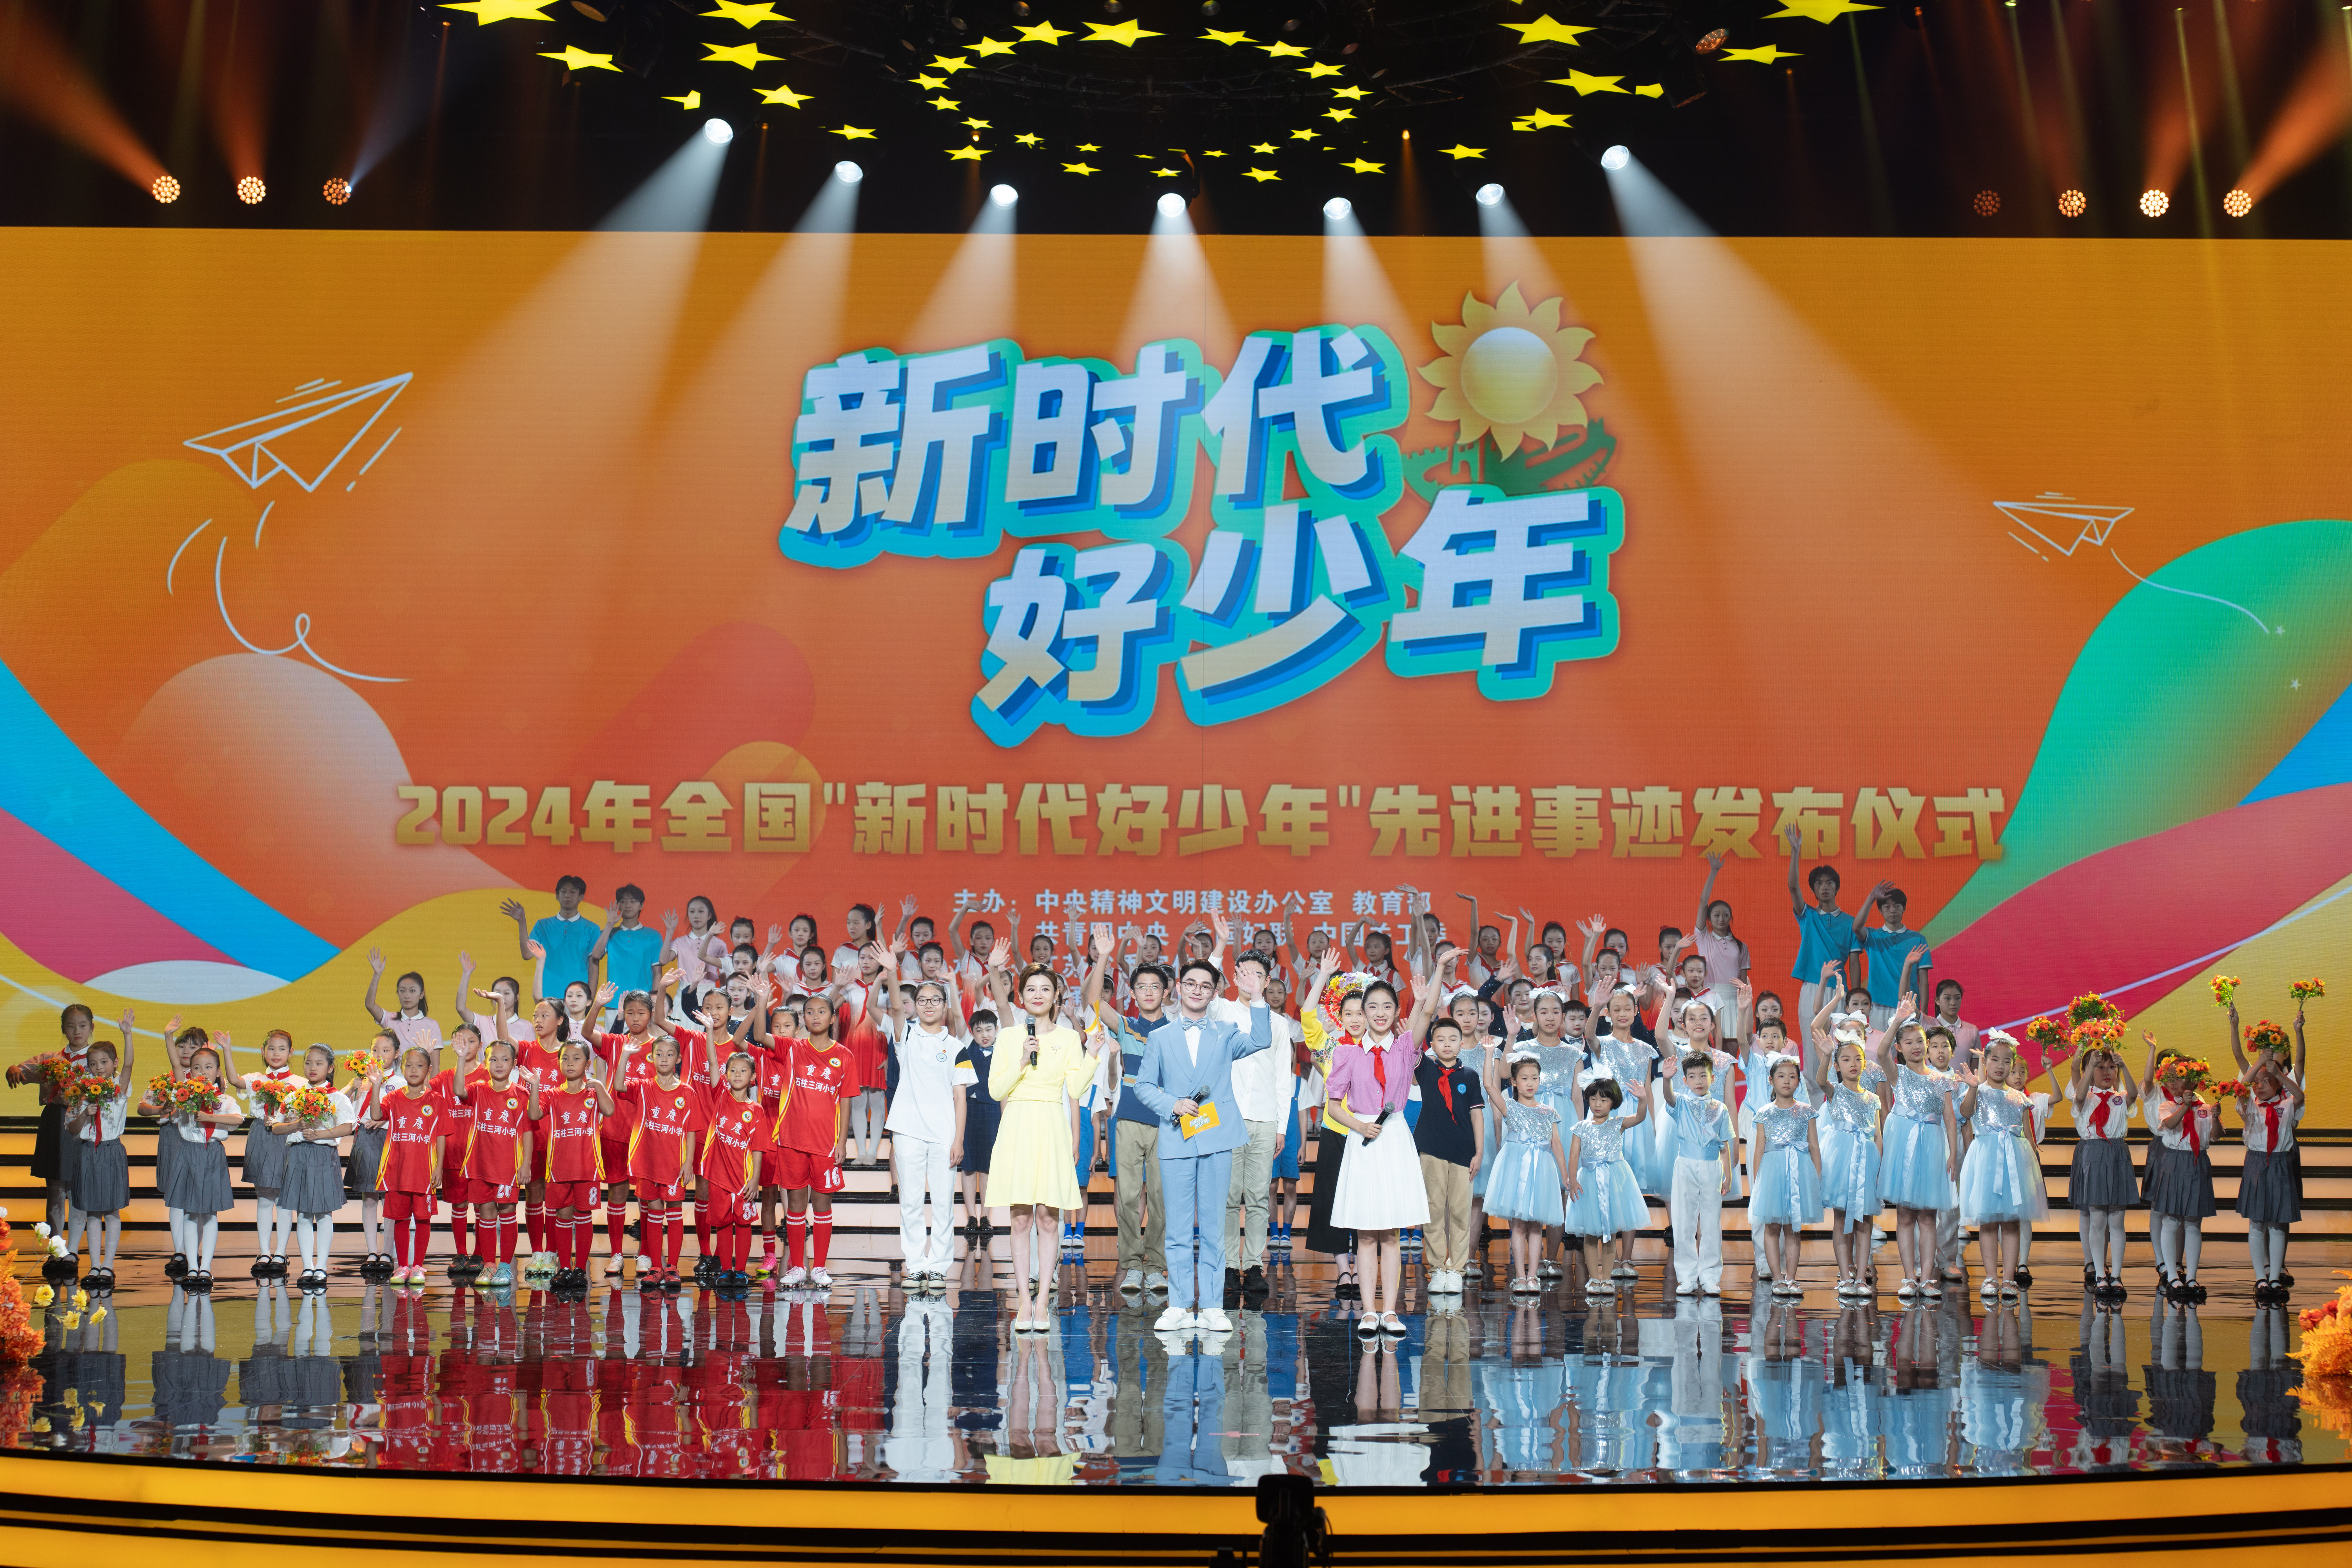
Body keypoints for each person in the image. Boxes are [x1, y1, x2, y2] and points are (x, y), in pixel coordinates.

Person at [1129, 954, 1275, 1341]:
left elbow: (1262, 1040)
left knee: (1213, 1225)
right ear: (1178, 987)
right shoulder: (1160, 1037)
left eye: (1206, 986)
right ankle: (1179, 1305)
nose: (1197, 991)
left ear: (1214, 993)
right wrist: (1172, 1103)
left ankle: (1211, 1306)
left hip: (1217, 1139)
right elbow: (1143, 1086)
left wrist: (1257, 997)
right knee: (1177, 1227)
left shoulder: (1226, 1031)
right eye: (1191, 984)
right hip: (1176, 1137)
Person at [985, 951, 1111, 1332]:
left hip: (1052, 1125)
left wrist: (1092, 1055)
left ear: (1057, 995)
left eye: (1045, 989)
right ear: (1021, 995)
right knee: (1021, 1218)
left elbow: (1075, 1088)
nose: (1038, 995)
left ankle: (1043, 1302)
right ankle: (1024, 1301)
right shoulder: (1009, 1036)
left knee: (1048, 1217)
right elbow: (996, 1090)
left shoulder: (1070, 1038)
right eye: (1031, 989)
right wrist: (1023, 1061)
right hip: (1018, 1125)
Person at [1320, 958, 1440, 1338]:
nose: (1380, 1013)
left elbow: (1428, 1013)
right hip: (1363, 1142)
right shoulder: (1347, 1053)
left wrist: (1434, 978)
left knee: (1391, 1233)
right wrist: (1359, 1126)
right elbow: (1334, 1106)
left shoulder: (1404, 1047)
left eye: (1388, 1006)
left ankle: (1390, 1311)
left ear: (1396, 1011)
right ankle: (1368, 1312)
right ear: (1363, 1012)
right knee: (1366, 1233)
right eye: (1372, 1007)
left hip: (1395, 1139)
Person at [877, 965, 973, 1293]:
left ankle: (938, 1268)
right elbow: (894, 1007)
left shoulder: (958, 1048)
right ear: (914, 1006)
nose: (929, 1005)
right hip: (908, 1131)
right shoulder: (906, 1036)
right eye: (922, 1000)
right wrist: (891, 970)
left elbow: (960, 1098)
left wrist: (959, 1140)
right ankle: (916, 1266)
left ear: (945, 1006)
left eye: (935, 1000)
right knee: (911, 1203)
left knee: (944, 1204)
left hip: (945, 1135)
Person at [1085, 942, 1173, 1298]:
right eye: (1142, 987)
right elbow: (1094, 1000)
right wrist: (1104, 958)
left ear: (1166, 993)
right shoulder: (1126, 1025)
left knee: (1162, 1198)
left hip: (1167, 1123)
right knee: (1126, 1196)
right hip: (1129, 1121)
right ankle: (1132, 1264)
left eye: (1155, 987)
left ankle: (1155, 1265)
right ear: (1133, 993)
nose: (1148, 992)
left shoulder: (1177, 1030)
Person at [768, 981, 865, 1293]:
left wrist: (842, 1142)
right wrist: (761, 1000)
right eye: (809, 1012)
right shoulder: (792, 1048)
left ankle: (819, 1268)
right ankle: (798, 1267)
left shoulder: (844, 1056)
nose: (816, 1016)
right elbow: (758, 1036)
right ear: (803, 1019)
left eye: (822, 1012)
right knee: (796, 1206)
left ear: (833, 1018)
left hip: (825, 1144)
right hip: (792, 1141)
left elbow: (846, 1101)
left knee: (822, 1205)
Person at [1215, 935, 1289, 1303]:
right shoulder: (1221, 1012)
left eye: (1258, 975)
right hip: (1227, 1118)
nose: (1250, 981)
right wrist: (1219, 947)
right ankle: (1230, 1264)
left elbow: (1283, 1078)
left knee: (1259, 1196)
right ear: (1234, 977)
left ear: (1268, 980)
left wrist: (1282, 1127)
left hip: (1263, 1118)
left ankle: (1255, 1264)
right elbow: (1203, 984)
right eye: (1244, 974)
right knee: (1229, 1196)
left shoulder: (1279, 1024)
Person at [138, 1043, 244, 1292]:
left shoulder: (224, 1100)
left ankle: (206, 1268)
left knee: (210, 1214)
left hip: (212, 1154)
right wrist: (168, 1037)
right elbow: (176, 1066)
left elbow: (238, 1119)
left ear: (218, 1072)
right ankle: (192, 1267)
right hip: (187, 1153)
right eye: (197, 1068)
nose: (202, 1072)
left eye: (208, 1067)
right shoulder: (183, 1097)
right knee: (189, 1213)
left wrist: (210, 1118)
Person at [1875, 1012, 1960, 1299]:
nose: (1916, 1047)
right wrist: (1897, 1020)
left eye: (1920, 1041)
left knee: (1928, 1216)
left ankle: (1927, 1278)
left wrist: (1952, 1154)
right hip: (1904, 1144)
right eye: (1909, 1042)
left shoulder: (1941, 1079)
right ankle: (1910, 1278)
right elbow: (1881, 1052)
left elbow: (1949, 1118)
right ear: (1900, 1047)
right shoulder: (1899, 1074)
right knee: (1905, 1215)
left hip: (1931, 1146)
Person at [528, 1037, 616, 1292]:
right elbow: (534, 1114)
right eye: (565, 1058)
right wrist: (535, 1086)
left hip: (588, 1168)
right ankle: (565, 1267)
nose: (570, 1063)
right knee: (563, 1215)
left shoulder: (593, 1093)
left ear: (587, 1064)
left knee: (583, 1216)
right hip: (559, 1169)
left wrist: (599, 1085)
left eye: (577, 1059)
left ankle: (580, 1270)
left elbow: (609, 1111)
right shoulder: (552, 1095)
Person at [1956, 1034, 2039, 1300]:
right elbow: (1966, 1113)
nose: (2001, 1066)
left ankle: (2009, 1278)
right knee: (1989, 1222)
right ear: (1985, 1062)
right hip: (1987, 1160)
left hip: (2014, 1160)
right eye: (1995, 1060)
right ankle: (1991, 1277)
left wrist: (2032, 1163)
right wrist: (1972, 1087)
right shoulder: (1979, 1091)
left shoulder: (2019, 1097)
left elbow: (2025, 1133)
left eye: (2007, 1061)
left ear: (2013, 1064)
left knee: (2012, 1222)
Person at [11, 1002, 96, 1254]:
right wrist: (13, 1070)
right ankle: (57, 1250)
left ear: (92, 1028)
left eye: (82, 1026)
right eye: (71, 1026)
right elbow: (21, 1070)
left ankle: (74, 1251)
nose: (77, 1031)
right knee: (56, 1187)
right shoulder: (51, 1060)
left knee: (79, 1187)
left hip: (85, 1125)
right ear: (63, 1029)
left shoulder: (98, 1059)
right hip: (55, 1125)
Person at [623, 1033, 703, 1293]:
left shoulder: (687, 1092)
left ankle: (673, 1267)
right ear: (652, 1057)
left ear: (679, 1059)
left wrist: (689, 1162)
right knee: (654, 1212)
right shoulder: (643, 1087)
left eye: (670, 1055)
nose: (664, 1059)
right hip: (649, 1163)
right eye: (659, 1054)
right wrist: (625, 1055)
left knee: (675, 1212)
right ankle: (656, 1267)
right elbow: (619, 1086)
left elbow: (691, 1131)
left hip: (674, 1165)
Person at [2057, 1042, 2137, 1301]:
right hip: (2093, 1154)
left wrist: (2124, 1066)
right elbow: (2079, 1097)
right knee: (2097, 1219)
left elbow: (2134, 1094)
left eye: (2111, 1067)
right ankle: (2100, 1273)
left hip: (2117, 1154)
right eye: (2101, 1067)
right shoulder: (2086, 1095)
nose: (2106, 1072)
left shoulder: (2120, 1097)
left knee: (2117, 1221)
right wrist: (2089, 1064)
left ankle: (2117, 1275)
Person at [1412, 1016, 1485, 1296]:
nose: (1447, 1044)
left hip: (1463, 1153)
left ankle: (1456, 1270)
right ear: (1432, 1044)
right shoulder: (1426, 1068)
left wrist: (1479, 1152)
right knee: (1433, 1212)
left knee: (1460, 1212)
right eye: (1440, 1039)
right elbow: (1411, 1047)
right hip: (1431, 1149)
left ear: (1462, 1043)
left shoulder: (1470, 1076)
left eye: (1453, 1039)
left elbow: (1477, 1116)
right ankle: (1437, 1269)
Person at [1809, 1023, 1883, 1298]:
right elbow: (1821, 1082)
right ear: (1838, 1066)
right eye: (1846, 1060)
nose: (1853, 1064)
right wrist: (1826, 1055)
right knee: (1841, 1218)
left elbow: (1878, 1136)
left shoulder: (1873, 1099)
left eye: (1858, 1059)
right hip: (1842, 1161)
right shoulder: (1836, 1092)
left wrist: (1878, 1169)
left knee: (1865, 1220)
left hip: (1866, 1160)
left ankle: (1862, 1276)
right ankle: (1845, 1275)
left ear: (1865, 1063)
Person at [1485, 1054, 1568, 1295]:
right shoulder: (1510, 1106)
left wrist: (1566, 1176)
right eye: (1524, 1079)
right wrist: (1490, 1054)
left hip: (1541, 1170)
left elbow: (1556, 1145)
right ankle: (1520, 1276)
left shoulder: (1549, 1112)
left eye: (1535, 1078)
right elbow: (1489, 1085)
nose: (1530, 1083)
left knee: (1536, 1226)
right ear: (1514, 1082)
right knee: (1519, 1225)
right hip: (1516, 1168)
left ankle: (1533, 1276)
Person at [276, 1044, 356, 1291]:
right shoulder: (294, 1096)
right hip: (298, 1155)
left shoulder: (338, 1098)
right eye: (309, 1063)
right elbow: (277, 1127)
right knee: (302, 1214)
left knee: (323, 1214)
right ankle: (307, 1267)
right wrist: (297, 1125)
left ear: (330, 1068)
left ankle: (321, 1267)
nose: (313, 1068)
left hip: (323, 1155)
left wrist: (319, 1134)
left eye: (319, 1064)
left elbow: (348, 1127)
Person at [1659, 1050, 1736, 1297]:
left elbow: (1725, 1143)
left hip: (1712, 1166)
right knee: (1684, 1221)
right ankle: (1687, 1277)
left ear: (1713, 1078)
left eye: (1704, 1075)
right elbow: (1669, 1097)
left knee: (1711, 1222)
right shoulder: (1681, 1102)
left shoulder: (1721, 1108)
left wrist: (1729, 1175)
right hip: (1686, 1165)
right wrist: (1667, 1079)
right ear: (1685, 1080)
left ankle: (1711, 1276)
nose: (1699, 1081)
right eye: (1692, 1076)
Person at [700, 1047, 777, 1290]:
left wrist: (755, 1180)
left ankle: (741, 1271)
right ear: (725, 1075)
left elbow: (758, 1148)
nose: (737, 1074)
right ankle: (726, 1271)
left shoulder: (756, 1110)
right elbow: (713, 1061)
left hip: (743, 1180)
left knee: (743, 1224)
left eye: (743, 1071)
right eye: (732, 1070)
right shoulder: (720, 1097)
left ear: (753, 1077)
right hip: (718, 1177)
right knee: (722, 1223)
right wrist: (709, 1031)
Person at [1564, 1078, 1650, 1296]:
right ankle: (1594, 1279)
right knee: (1591, 1234)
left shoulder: (1618, 1123)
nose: (1597, 1104)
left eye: (1603, 1100)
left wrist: (1643, 1099)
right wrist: (1573, 1180)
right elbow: (1574, 1156)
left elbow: (1640, 1117)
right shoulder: (1581, 1128)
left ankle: (1608, 1279)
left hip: (1613, 1182)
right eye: (1593, 1099)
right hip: (1589, 1183)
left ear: (1613, 1102)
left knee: (1610, 1233)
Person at [1744, 1055, 1821, 1295]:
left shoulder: (1806, 1111)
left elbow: (1814, 1146)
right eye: (1781, 1076)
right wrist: (1758, 1183)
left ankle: (1792, 1278)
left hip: (1799, 1172)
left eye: (1792, 1077)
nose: (1787, 1081)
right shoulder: (1764, 1113)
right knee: (1772, 1227)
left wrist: (1816, 1178)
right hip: (1773, 1174)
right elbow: (1759, 1150)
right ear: (1771, 1080)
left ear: (1798, 1081)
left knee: (1793, 1228)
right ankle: (1777, 1278)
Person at [463, 1033, 535, 1288]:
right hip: (480, 1165)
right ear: (486, 1063)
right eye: (494, 1060)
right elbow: (458, 1091)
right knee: (485, 1213)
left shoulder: (522, 1094)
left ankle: (505, 1267)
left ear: (514, 1064)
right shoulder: (478, 1089)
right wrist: (461, 1059)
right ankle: (489, 1266)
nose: (499, 1064)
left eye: (505, 1060)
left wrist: (526, 1164)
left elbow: (528, 1131)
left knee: (507, 1213)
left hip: (508, 1167)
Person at [65, 1030, 134, 1291]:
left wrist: (128, 1034)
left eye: (104, 1062)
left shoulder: (119, 1089)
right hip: (87, 1153)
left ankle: (108, 1265)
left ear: (114, 1064)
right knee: (92, 1211)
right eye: (93, 1064)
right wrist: (85, 1113)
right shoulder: (81, 1092)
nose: (99, 1068)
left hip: (111, 1150)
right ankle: (94, 1265)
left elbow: (129, 1065)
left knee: (112, 1210)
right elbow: (72, 1130)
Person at [378, 1045, 450, 1287]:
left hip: (424, 1171)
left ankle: (418, 1266)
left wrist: (439, 1167)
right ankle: (402, 1266)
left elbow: (441, 1135)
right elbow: (376, 1115)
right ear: (402, 1068)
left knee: (422, 1219)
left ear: (429, 1070)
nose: (413, 1070)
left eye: (420, 1066)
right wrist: (376, 1086)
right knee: (400, 1219)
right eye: (408, 1065)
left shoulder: (437, 1101)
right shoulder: (393, 1098)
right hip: (397, 1170)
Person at [234, 1028, 303, 1281]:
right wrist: (227, 1049)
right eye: (271, 1049)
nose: (276, 1053)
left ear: (291, 1052)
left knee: (284, 1199)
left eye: (282, 1049)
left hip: (285, 1137)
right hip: (261, 1135)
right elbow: (234, 1081)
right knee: (264, 1198)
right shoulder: (256, 1079)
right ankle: (264, 1253)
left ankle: (281, 1253)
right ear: (263, 1051)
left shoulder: (300, 1083)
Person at [2235, 1059, 2305, 1304]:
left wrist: (2279, 1074)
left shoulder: (2287, 1104)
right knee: (2257, 1224)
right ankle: (2260, 1279)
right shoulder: (2249, 1106)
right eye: (2257, 1082)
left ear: (2278, 1084)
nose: (2260, 1086)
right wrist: (2259, 1065)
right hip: (2256, 1162)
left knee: (2277, 1224)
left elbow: (2300, 1095)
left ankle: (2275, 1277)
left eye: (2267, 1081)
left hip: (2280, 1162)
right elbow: (2240, 1089)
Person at [1785, 824, 1860, 1029]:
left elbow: (1854, 963)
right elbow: (1793, 887)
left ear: (1837, 888)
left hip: (1839, 988)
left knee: (1841, 1041)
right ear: (1813, 890)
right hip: (1812, 986)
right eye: (1819, 883)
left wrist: (1856, 995)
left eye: (1830, 883)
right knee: (1812, 1042)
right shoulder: (1807, 916)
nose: (1825, 887)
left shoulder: (1851, 922)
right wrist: (1795, 851)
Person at [505, 875, 600, 1001]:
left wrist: (590, 999)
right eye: (564, 892)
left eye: (573, 892)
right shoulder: (542, 925)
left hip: (578, 997)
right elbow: (527, 955)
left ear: (581, 897)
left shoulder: (592, 929)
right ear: (557, 896)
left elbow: (594, 967)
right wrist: (522, 922)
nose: (567, 896)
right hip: (547, 995)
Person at [1853, 886, 1929, 1032]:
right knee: (1880, 1045)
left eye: (1897, 906)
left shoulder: (1918, 939)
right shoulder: (1873, 936)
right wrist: (1872, 897)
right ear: (1880, 911)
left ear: (1904, 908)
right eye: (1887, 907)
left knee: (1908, 1046)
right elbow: (1856, 927)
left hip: (1909, 1006)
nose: (1893, 910)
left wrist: (1924, 1014)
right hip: (1879, 1006)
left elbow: (1924, 981)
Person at [956, 1009, 1002, 1241]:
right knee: (968, 1166)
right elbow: (957, 1016)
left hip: (992, 1111)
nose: (984, 1035)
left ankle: (985, 1216)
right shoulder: (965, 1049)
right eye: (979, 1030)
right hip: (968, 1110)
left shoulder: (1003, 1053)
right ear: (972, 1033)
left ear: (996, 1030)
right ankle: (971, 1217)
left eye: (989, 1030)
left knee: (987, 1166)